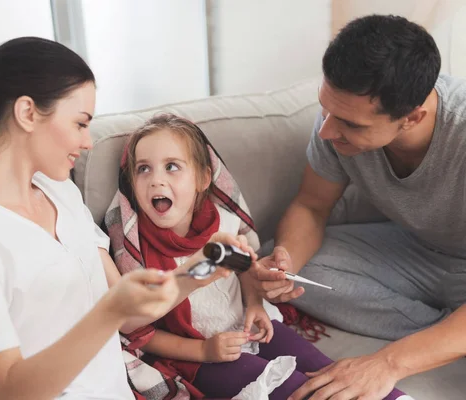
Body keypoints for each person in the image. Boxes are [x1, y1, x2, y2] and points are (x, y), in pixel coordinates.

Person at [0, 37, 240, 400]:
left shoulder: (60, 192)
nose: (89, 141)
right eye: (80, 123)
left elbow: (128, 317)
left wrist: (199, 269)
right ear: (27, 113)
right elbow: (13, 389)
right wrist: (107, 312)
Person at [105, 113, 410, 399]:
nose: (156, 180)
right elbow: (141, 333)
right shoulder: (135, 250)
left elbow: (246, 270)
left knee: (321, 367)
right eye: (143, 168)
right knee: (288, 388)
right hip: (199, 354)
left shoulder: (221, 223)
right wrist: (205, 351)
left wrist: (255, 306)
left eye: (172, 166)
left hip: (246, 327)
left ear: (203, 178)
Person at [251, 14, 466, 400]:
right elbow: (312, 205)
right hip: (415, 254)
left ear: (412, 117)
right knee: (283, 262)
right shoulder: (334, 125)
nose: (327, 131)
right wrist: (287, 265)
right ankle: (445, 333)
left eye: (350, 124)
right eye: (326, 109)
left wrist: (387, 363)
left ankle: (446, 338)